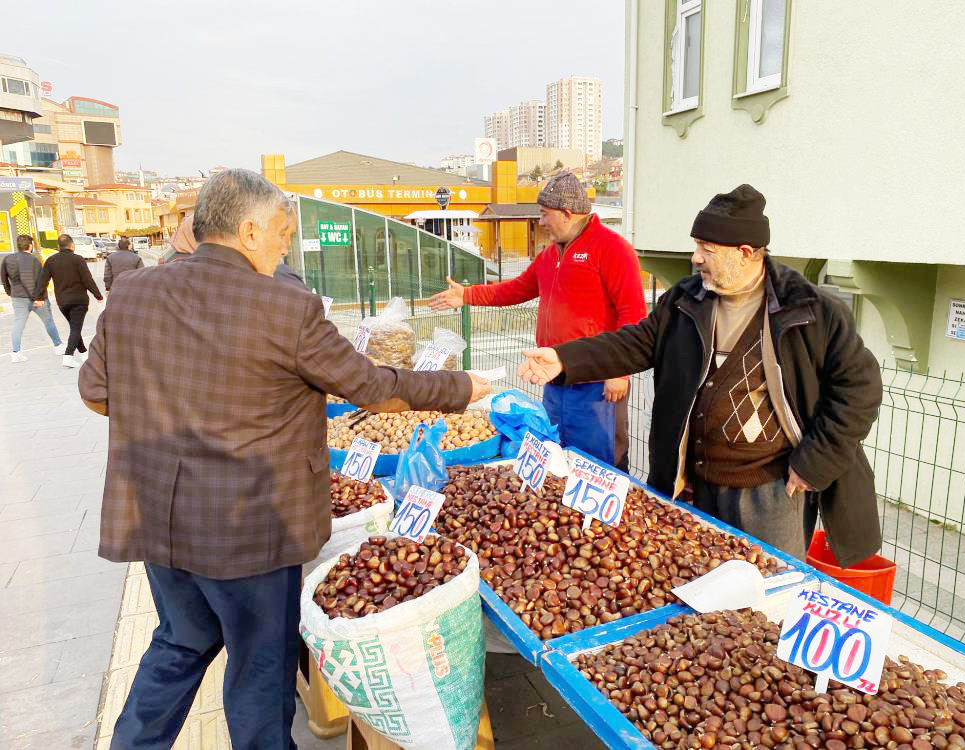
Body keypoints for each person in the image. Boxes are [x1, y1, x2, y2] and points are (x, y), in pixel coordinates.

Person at [78, 168, 490, 750]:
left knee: (180, 643)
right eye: (281, 231)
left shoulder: (134, 292)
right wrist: (458, 388)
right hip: (249, 527)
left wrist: (172, 414)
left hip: (159, 518)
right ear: (249, 231)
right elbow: (368, 386)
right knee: (260, 666)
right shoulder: (284, 306)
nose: (285, 243)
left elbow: (96, 394)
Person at [517, 184, 883, 567]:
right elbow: (634, 343)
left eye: (706, 250)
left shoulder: (811, 311)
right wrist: (563, 359)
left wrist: (815, 464)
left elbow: (860, 391)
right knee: (695, 585)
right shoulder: (685, 300)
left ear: (744, 253)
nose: (695, 259)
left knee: (769, 591)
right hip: (695, 483)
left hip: (773, 491)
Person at [429, 172, 646, 470]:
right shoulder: (548, 256)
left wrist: (620, 372)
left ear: (567, 213)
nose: (541, 222)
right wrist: (467, 295)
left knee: (598, 464)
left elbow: (632, 312)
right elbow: (516, 289)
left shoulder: (613, 249)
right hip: (553, 379)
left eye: (545, 215)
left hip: (595, 385)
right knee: (555, 458)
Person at [35, 234, 103, 368]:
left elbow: (43, 281)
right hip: (79, 301)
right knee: (76, 329)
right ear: (72, 245)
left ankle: (84, 354)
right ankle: (68, 356)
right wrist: (98, 296)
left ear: (58, 246)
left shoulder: (51, 260)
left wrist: (38, 297)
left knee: (74, 328)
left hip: (62, 302)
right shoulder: (78, 260)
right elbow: (87, 280)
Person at [1, 234, 63, 361]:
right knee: (48, 321)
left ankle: (16, 353)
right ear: (30, 245)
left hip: (18, 297)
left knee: (18, 323)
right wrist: (39, 298)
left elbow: (3, 278)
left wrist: (10, 292)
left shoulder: (7, 259)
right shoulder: (34, 259)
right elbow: (41, 280)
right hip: (37, 298)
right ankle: (58, 346)